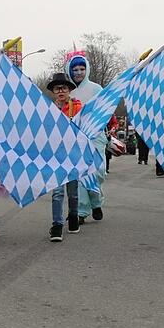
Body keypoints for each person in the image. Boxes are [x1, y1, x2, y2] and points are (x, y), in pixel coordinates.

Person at [66, 50, 107, 223]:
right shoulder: (67, 92)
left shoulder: (96, 89)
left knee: (98, 172)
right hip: (76, 140)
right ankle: (82, 211)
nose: (78, 73)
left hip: (96, 136)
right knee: (81, 175)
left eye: (82, 69)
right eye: (75, 70)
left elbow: (105, 111)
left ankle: (96, 202)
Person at [46, 73, 83, 241]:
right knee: (57, 192)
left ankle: (73, 216)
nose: (61, 91)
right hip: (56, 156)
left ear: (69, 90)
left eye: (64, 88)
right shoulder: (48, 109)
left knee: (73, 192)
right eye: (57, 88)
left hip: (73, 155)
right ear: (53, 92)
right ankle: (57, 225)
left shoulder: (77, 107)